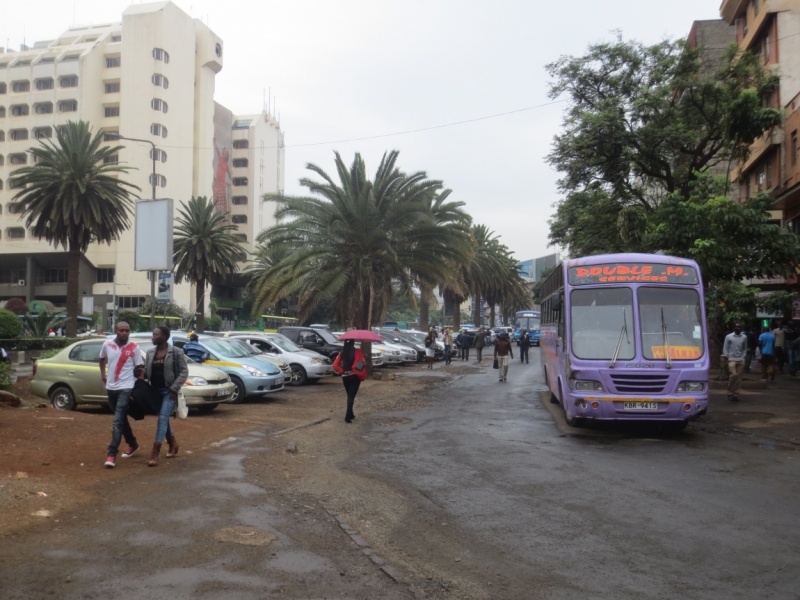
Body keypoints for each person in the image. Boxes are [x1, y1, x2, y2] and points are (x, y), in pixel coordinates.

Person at [100, 322, 143, 468]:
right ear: (115, 331)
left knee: (117, 421)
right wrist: (103, 375)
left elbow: (139, 368)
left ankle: (111, 454)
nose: (124, 333)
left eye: (127, 331)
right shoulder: (107, 345)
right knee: (121, 418)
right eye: (121, 330)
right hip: (111, 387)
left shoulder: (134, 348)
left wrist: (139, 388)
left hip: (126, 387)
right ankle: (133, 444)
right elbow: (101, 358)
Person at [144, 326, 189, 467]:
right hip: (155, 391)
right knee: (163, 419)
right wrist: (139, 372)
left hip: (169, 391)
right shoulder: (150, 353)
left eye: (155, 334)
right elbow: (147, 372)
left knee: (162, 418)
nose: (152, 337)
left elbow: (184, 372)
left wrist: (175, 388)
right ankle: (173, 444)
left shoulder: (175, 352)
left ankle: (155, 452)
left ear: (163, 337)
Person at [332, 340, 367, 423]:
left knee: (349, 395)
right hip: (354, 376)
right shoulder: (357, 351)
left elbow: (335, 365)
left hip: (345, 377)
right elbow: (363, 363)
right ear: (353, 343)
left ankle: (351, 414)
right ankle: (347, 415)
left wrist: (342, 371)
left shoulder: (342, 353)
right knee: (351, 396)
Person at [722, 323, 747, 402]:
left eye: (739, 327)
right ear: (734, 328)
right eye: (737, 327)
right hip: (731, 359)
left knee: (739, 378)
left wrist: (743, 356)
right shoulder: (729, 337)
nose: (738, 328)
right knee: (734, 375)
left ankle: (735, 394)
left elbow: (745, 348)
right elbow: (725, 347)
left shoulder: (744, 337)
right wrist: (726, 356)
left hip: (741, 359)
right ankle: (730, 392)